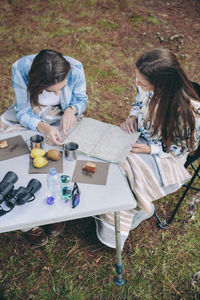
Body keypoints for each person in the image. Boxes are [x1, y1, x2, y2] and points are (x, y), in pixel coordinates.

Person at [95, 48, 200, 249]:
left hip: (166, 154)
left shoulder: (190, 111)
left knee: (122, 178)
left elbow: (185, 147)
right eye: (136, 79)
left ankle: (133, 213)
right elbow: (138, 102)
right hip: (140, 136)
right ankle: (109, 208)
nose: (137, 84)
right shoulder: (146, 88)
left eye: (142, 82)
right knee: (105, 159)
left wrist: (151, 149)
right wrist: (132, 117)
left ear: (162, 85)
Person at [1, 49, 88, 248]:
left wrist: (71, 110)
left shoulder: (75, 68)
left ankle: (55, 210)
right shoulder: (20, 68)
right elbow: (22, 111)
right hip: (32, 116)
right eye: (51, 90)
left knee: (64, 162)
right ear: (38, 84)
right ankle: (28, 222)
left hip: (61, 115)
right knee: (15, 161)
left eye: (61, 88)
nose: (57, 93)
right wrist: (43, 126)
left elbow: (80, 99)